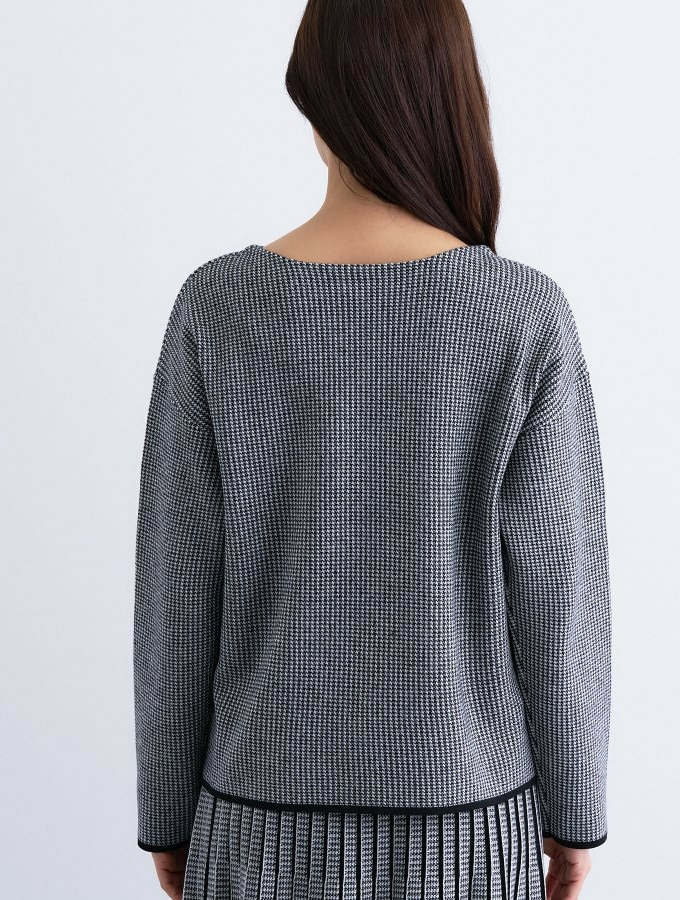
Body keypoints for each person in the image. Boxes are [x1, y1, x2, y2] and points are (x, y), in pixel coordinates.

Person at [132, 2, 612, 899]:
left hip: (254, 827)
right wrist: (576, 813)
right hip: (469, 832)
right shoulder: (522, 316)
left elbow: (178, 587)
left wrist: (165, 811)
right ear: (451, 100)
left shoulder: (218, 308)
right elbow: (559, 594)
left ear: (312, 102)